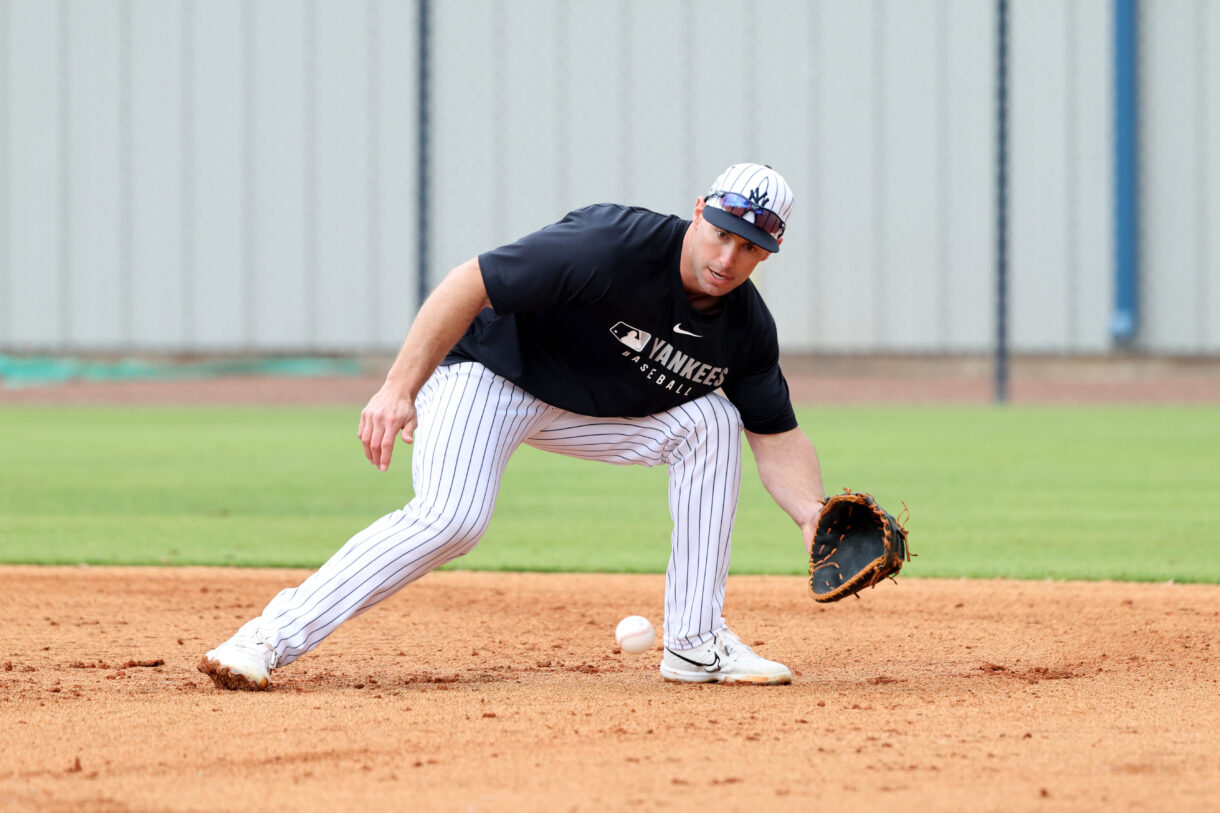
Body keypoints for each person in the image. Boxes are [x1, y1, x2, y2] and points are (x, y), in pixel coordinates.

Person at [199, 162, 827, 690]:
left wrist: (811, 516)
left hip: (585, 413)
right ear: (699, 212)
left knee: (714, 421)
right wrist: (400, 388)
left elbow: (775, 433)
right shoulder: (611, 243)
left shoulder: (746, 327)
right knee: (453, 518)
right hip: (489, 377)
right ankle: (266, 637)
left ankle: (695, 643)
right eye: (722, 233)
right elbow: (466, 282)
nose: (729, 256)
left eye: (750, 247)